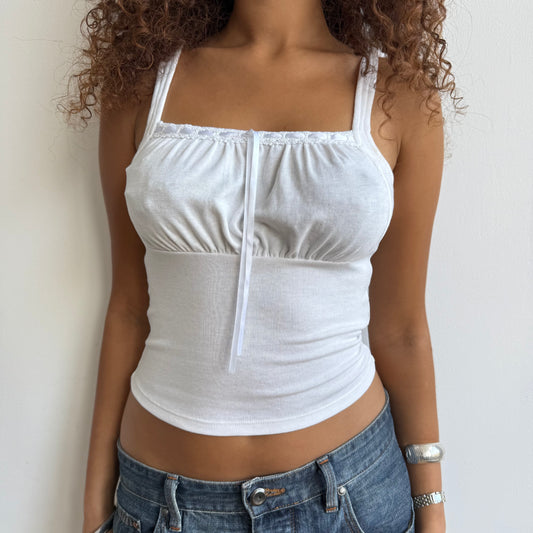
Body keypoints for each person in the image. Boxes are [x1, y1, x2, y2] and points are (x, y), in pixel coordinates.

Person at [59, 1, 462, 532]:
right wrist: (94, 500)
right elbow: (130, 306)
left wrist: (432, 507)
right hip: (161, 503)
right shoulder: (141, 84)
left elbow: (401, 328)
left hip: (349, 495)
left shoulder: (398, 96)